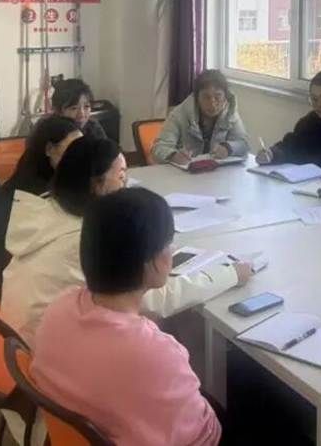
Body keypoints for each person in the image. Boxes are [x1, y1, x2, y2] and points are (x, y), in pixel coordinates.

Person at [0, 136, 252, 342]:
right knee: (160, 329)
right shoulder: (87, 236)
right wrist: (229, 274)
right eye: (121, 177)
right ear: (96, 184)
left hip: (17, 344)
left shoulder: (49, 207)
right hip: (44, 358)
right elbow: (152, 299)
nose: (126, 185)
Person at [32, 187, 223, 445]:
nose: (171, 250)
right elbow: (207, 434)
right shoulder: (156, 353)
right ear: (150, 260)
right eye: (168, 243)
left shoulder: (59, 308)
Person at [0, 115, 82, 292]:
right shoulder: (42, 197)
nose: (81, 156)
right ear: (49, 149)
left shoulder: (21, 180)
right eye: (74, 149)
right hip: (3, 286)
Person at [153, 70, 251, 165]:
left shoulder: (230, 113)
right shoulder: (179, 114)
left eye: (218, 96)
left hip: (216, 172)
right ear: (197, 98)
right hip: (184, 173)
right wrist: (173, 156)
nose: (212, 103)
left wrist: (228, 148)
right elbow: (159, 147)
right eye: (206, 97)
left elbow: (244, 144)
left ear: (225, 97)